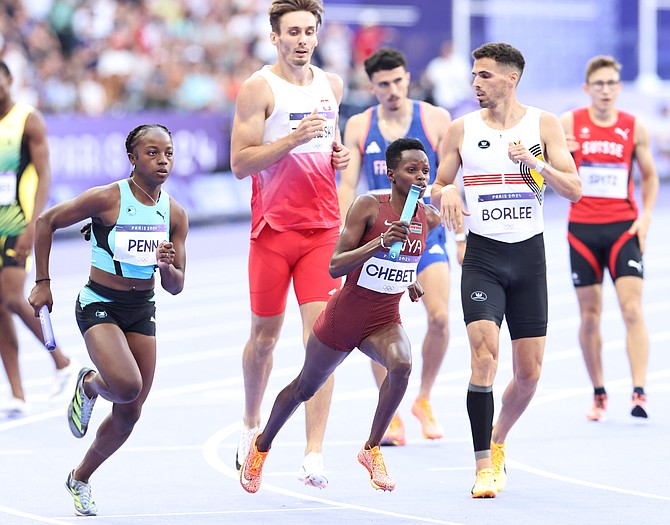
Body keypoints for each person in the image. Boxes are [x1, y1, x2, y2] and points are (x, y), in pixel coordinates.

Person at [239, 137, 438, 494]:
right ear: (391, 174)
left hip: (384, 320)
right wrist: (379, 241)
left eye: (425, 170)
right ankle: (262, 445)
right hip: (343, 318)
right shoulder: (368, 207)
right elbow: (334, 266)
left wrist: (409, 280)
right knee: (304, 387)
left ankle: (371, 448)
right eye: (412, 170)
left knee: (403, 366)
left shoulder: (428, 217)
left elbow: (405, 257)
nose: (421, 177)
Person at [432, 42, 582, 498]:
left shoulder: (544, 124)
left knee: (529, 373)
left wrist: (535, 164)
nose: (475, 83)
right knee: (484, 355)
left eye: (484, 76)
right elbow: (437, 184)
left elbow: (574, 188)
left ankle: (497, 441)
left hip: (529, 257)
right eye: (474, 76)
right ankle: (482, 467)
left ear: (510, 79)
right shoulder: (460, 129)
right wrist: (446, 193)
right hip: (483, 257)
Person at [27, 124, 188, 516]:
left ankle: (80, 477)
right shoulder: (106, 198)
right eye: (152, 153)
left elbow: (175, 287)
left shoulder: (175, 214)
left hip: (142, 309)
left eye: (168, 152)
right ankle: (90, 384)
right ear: (132, 158)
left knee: (131, 412)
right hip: (99, 304)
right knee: (127, 384)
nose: (162, 160)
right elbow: (46, 222)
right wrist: (43, 282)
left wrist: (166, 266)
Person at [229, 0, 350, 490]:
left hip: (322, 230)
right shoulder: (258, 88)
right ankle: (250, 421)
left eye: (309, 31)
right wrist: (294, 138)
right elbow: (241, 163)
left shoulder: (332, 85)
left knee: (321, 343)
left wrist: (337, 155)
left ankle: (314, 452)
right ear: (275, 37)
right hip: (273, 232)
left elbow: (332, 144)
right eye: (292, 32)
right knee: (264, 340)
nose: (302, 40)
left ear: (318, 35)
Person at [339, 48, 453, 446]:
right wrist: (347, 238)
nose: (392, 90)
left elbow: (451, 176)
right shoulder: (358, 125)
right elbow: (348, 187)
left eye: (398, 81)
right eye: (383, 84)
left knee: (439, 318)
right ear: (372, 86)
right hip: (378, 238)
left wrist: (460, 229)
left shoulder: (435, 119)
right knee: (378, 325)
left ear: (409, 79)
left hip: (427, 233)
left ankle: (423, 398)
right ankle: (391, 414)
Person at [559, 56, 659, 422]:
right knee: (590, 316)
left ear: (619, 88)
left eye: (611, 83)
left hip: (623, 230)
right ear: (587, 88)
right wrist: (560, 151)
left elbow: (649, 176)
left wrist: (645, 217)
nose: (605, 90)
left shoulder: (634, 127)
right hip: (582, 231)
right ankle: (599, 393)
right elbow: (544, 167)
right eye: (598, 84)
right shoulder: (569, 122)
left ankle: (639, 391)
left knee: (632, 309)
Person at [0, 59, 78, 417]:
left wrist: (33, 224)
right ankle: (17, 393)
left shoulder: (27, 120)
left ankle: (62, 361)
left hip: (18, 222)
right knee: (0, 307)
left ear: (9, 80)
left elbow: (44, 174)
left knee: (12, 296)